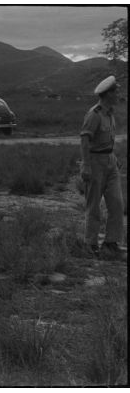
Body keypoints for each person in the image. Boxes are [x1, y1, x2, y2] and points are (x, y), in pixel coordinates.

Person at [80, 75, 125, 259]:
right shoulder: (95, 114)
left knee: (117, 203)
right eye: (116, 91)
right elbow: (84, 139)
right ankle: (90, 244)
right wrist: (86, 165)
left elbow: (109, 139)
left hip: (110, 161)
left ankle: (110, 243)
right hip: (95, 162)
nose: (118, 94)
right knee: (94, 206)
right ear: (108, 94)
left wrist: (113, 157)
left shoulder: (110, 113)